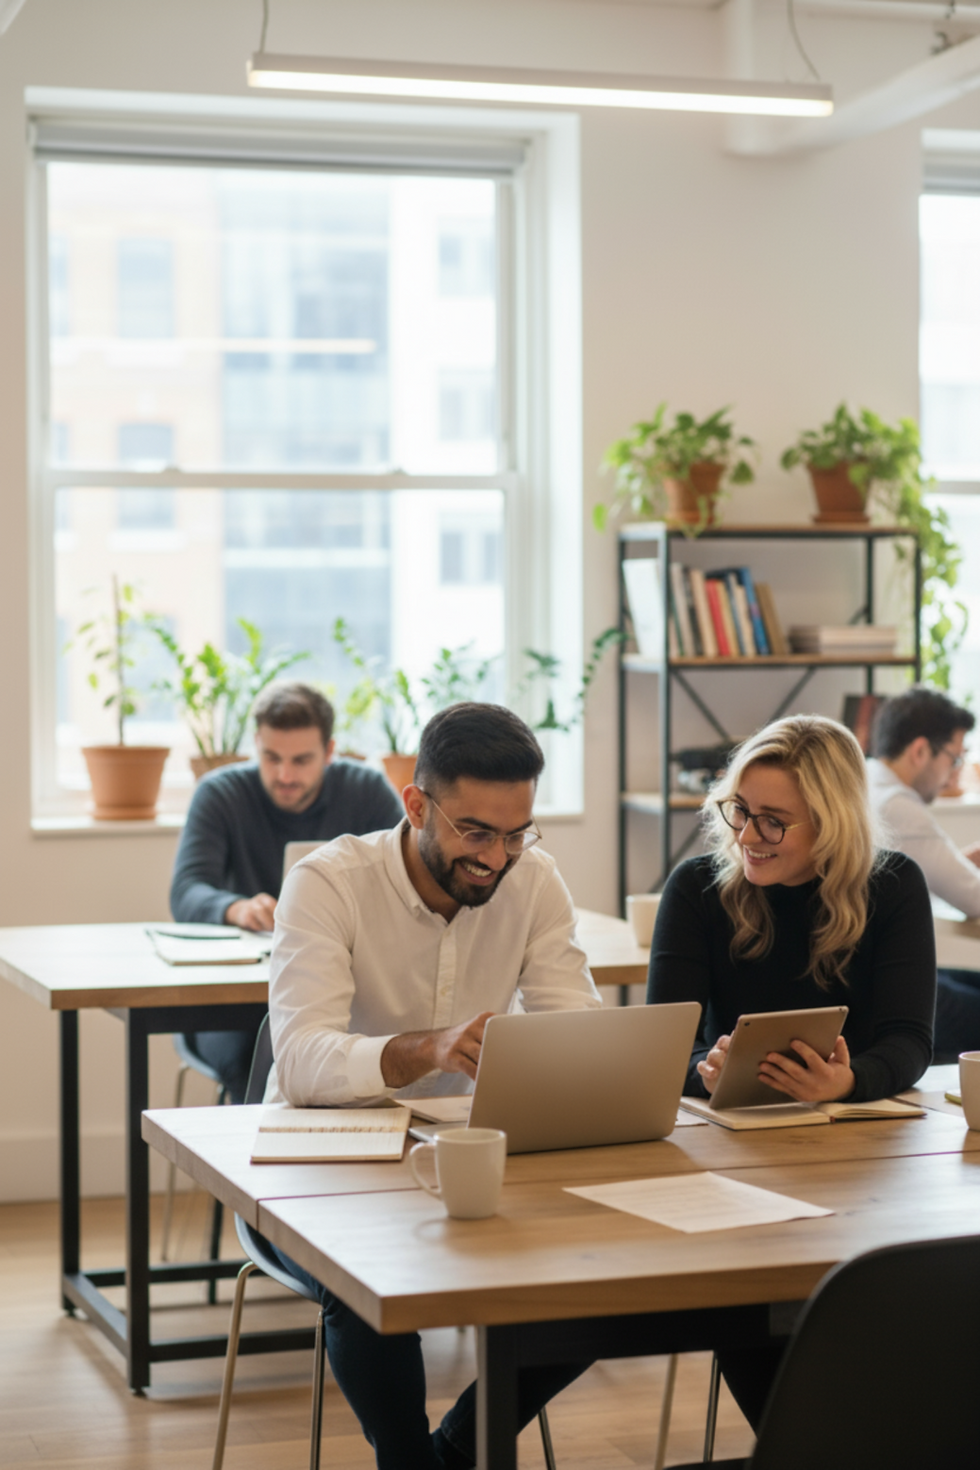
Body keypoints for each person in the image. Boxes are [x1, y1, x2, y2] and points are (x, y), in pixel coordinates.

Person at [263, 701, 601, 1470]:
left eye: (516, 834)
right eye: (475, 832)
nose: (496, 858)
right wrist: (426, 1049)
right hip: (319, 1164)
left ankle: (445, 1455)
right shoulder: (326, 884)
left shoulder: (533, 881)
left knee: (597, 1283)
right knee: (368, 1285)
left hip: (470, 1152)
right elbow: (304, 1064)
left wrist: (581, 1062)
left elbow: (577, 1030)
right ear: (416, 804)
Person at [647, 713, 935, 1430]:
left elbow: (908, 1043)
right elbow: (664, 1052)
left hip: (861, 1163)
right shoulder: (697, 889)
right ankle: (809, 1445)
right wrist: (701, 1071)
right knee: (739, 1295)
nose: (746, 835)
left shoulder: (893, 887)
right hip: (727, 1160)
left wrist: (850, 1080)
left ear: (832, 825)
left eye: (773, 821)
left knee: (912, 1291)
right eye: (739, 811)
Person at [169, 681, 403, 1102]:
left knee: (378, 1051)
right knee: (257, 1055)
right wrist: (236, 908)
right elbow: (186, 891)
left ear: (330, 752)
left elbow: (405, 881)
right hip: (235, 1007)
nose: (285, 775)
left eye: (301, 760)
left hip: (346, 994)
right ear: (256, 743)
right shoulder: (220, 794)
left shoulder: (367, 791)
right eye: (271, 757)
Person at [868, 685, 980, 1061]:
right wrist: (965, 873)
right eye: (954, 757)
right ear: (920, 751)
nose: (953, 774)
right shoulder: (898, 806)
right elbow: (974, 898)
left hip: (867, 978)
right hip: (881, 991)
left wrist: (960, 866)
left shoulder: (867, 782)